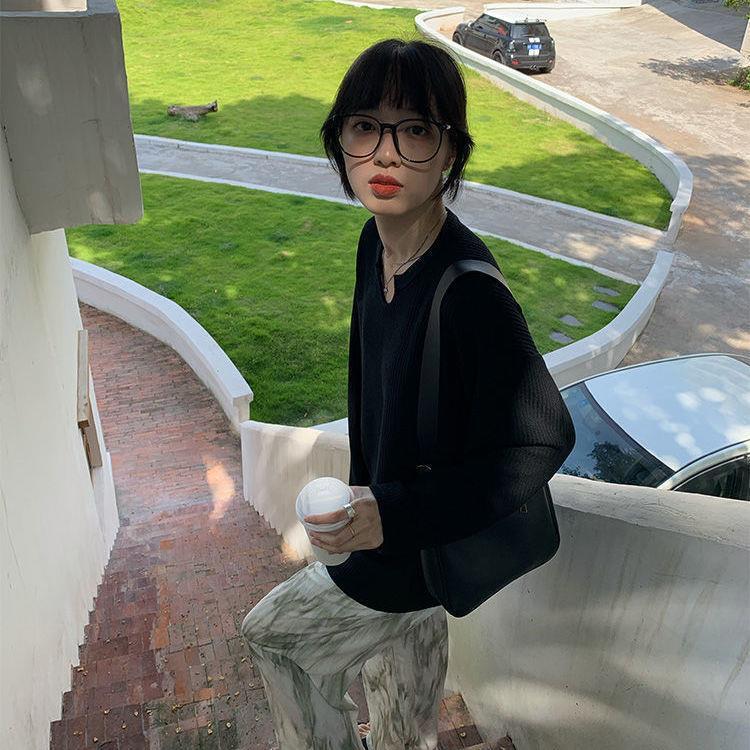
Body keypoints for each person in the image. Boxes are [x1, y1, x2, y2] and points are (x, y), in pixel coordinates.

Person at [241, 38, 576, 750]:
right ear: (340, 142)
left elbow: (544, 436)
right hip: (401, 536)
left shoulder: (470, 294)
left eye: (415, 130)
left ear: (451, 151)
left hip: (406, 552)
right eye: (365, 127)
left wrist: (392, 512)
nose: (385, 155)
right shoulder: (376, 243)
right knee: (403, 716)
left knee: (274, 640)